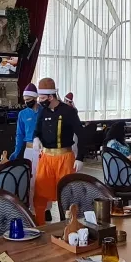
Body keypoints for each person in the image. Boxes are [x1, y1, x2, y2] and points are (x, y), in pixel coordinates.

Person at [32, 77, 85, 222]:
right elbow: (36, 131)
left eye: (42, 98)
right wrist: (36, 138)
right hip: (46, 159)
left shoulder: (68, 112)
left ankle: (68, 227)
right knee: (40, 195)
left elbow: (82, 134)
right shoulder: (43, 111)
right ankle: (40, 227)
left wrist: (80, 157)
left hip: (65, 158)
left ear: (51, 96)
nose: (39, 101)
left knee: (67, 196)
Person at [10, 83, 41, 206]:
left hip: (44, 149)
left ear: (35, 98)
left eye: (29, 100)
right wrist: (16, 151)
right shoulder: (22, 114)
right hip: (29, 150)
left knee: (43, 180)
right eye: (25, 100)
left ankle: (46, 209)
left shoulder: (44, 111)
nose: (26, 102)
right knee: (31, 180)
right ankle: (31, 207)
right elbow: (20, 134)